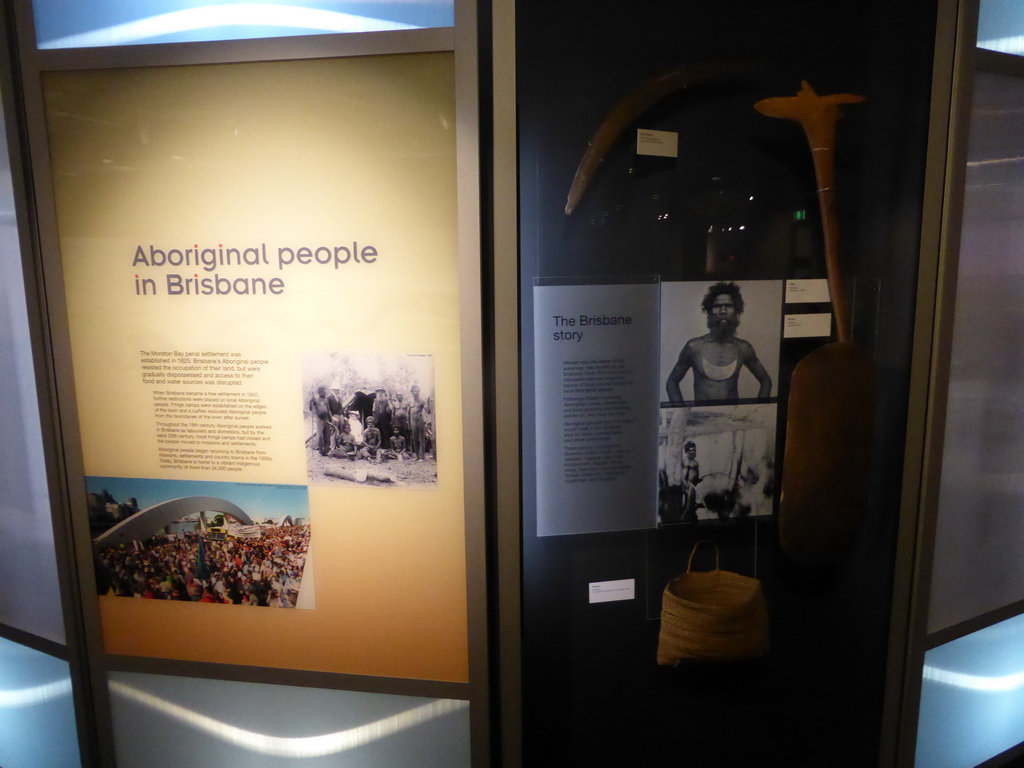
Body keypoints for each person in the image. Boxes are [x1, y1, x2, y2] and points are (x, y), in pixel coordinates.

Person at [666, 282, 772, 403]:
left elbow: (765, 380)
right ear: (709, 311)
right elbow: (672, 382)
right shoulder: (694, 347)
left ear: (736, 311)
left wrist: (759, 409)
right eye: (717, 306)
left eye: (728, 305)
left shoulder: (743, 348)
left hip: (732, 419)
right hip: (702, 418)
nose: (723, 310)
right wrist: (681, 411)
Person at [309, 386, 339, 456]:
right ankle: (321, 451)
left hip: (327, 418)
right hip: (320, 419)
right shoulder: (315, 399)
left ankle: (326, 451)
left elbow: (328, 410)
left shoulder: (326, 399)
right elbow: (311, 408)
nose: (325, 393)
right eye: (323, 392)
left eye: (325, 392)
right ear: (319, 393)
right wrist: (311, 401)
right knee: (320, 435)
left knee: (327, 434)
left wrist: (331, 419)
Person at [680, 440, 703, 523]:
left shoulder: (694, 461)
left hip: (694, 485)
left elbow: (694, 475)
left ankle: (692, 519)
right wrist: (687, 485)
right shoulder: (686, 462)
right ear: (686, 452)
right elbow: (683, 476)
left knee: (692, 506)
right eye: (691, 450)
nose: (693, 452)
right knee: (689, 508)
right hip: (690, 487)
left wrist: (698, 479)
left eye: (694, 450)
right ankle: (683, 521)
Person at [409, 384, 429, 461]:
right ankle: (417, 456)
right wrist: (408, 422)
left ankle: (421, 457)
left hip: (420, 420)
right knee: (415, 439)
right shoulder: (410, 401)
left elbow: (427, 410)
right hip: (412, 420)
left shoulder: (422, 400)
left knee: (421, 439)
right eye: (414, 391)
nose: (415, 392)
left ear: (419, 392)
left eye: (417, 390)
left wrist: (428, 402)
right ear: (412, 392)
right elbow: (408, 412)